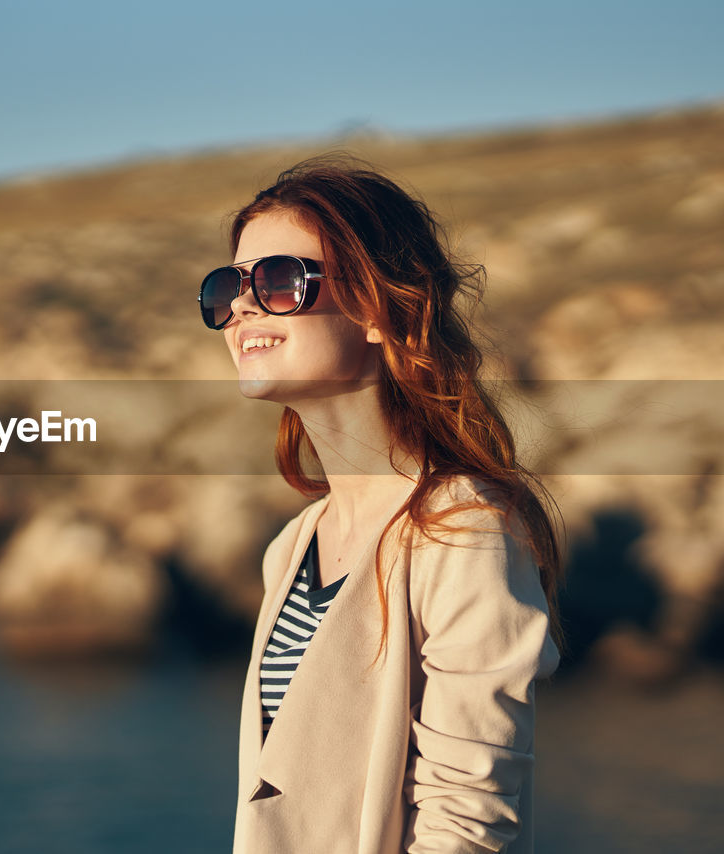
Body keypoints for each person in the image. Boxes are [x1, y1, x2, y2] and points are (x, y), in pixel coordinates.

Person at [197, 156, 565, 853]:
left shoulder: (465, 528)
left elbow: (468, 822)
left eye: (278, 281)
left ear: (377, 308)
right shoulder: (295, 544)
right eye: (228, 287)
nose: (242, 306)